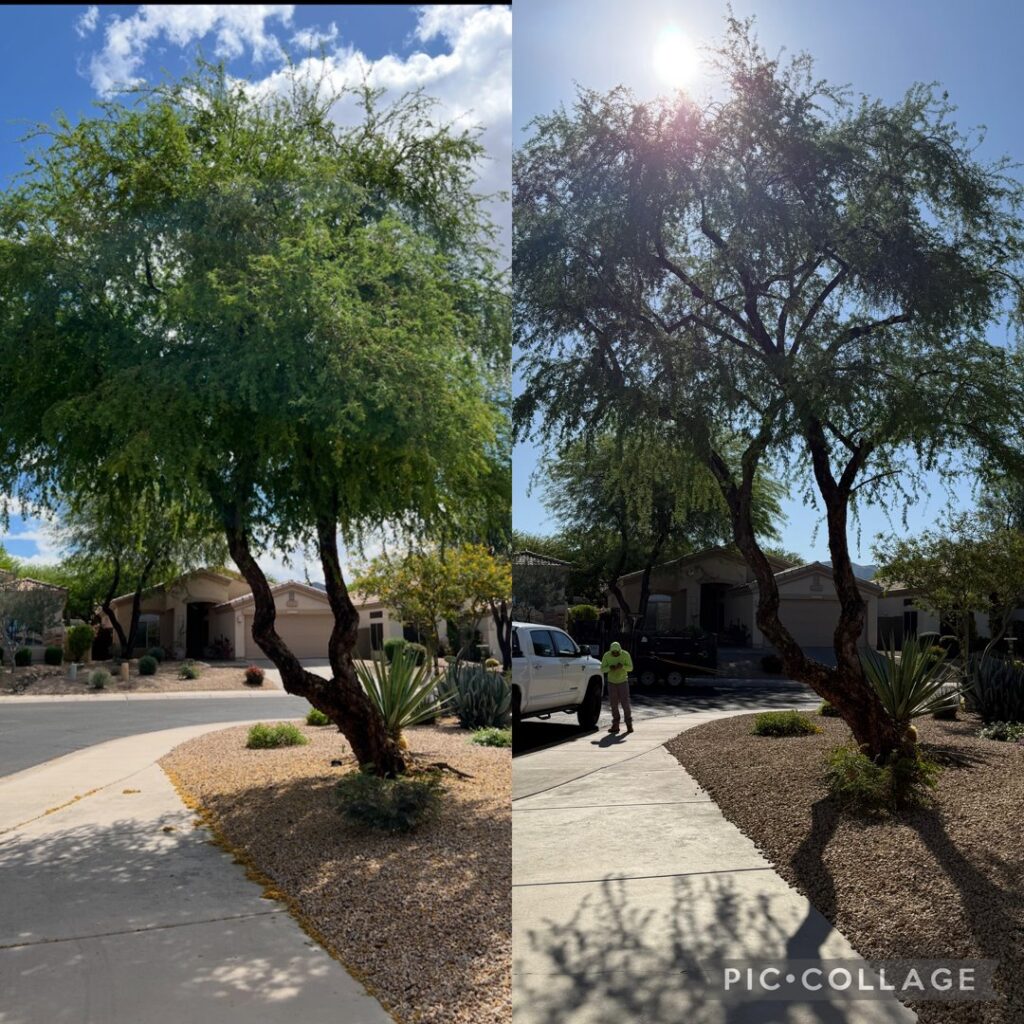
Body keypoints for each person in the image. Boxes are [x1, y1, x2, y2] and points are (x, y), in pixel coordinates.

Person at [600, 641, 634, 734]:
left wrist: (622, 666)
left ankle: (629, 724)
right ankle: (616, 725)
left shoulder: (625, 654)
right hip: (611, 682)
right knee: (613, 704)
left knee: (625, 703)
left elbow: (630, 668)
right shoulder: (606, 656)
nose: (615, 654)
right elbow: (602, 668)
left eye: (617, 652)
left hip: (623, 681)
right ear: (611, 651)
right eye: (613, 652)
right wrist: (610, 668)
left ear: (620, 650)